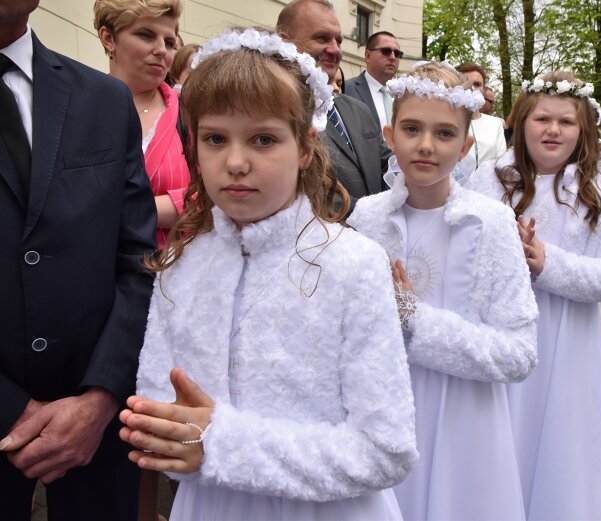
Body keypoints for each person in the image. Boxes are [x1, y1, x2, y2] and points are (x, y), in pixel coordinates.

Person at [118, 28, 418, 521]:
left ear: (304, 146)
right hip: (210, 505)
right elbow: (156, 409)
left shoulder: (353, 265)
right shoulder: (181, 264)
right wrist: (176, 441)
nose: (235, 162)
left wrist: (222, 444)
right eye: (215, 138)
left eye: (263, 139)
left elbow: (386, 450)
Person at [349, 62, 538, 521]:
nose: (426, 146)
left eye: (445, 134)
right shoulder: (365, 217)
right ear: (390, 136)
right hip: (381, 407)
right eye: (412, 129)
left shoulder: (490, 223)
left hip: (463, 417)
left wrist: (417, 318)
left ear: (466, 145)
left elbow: (519, 353)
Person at [0, 0, 157, 519]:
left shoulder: (104, 99)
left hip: (97, 435)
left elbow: (138, 259)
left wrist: (101, 399)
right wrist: (11, 411)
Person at [470, 72, 601, 521]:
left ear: (582, 130)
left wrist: (549, 264)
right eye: (542, 118)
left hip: (566, 337)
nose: (552, 129)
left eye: (565, 121)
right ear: (521, 122)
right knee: (503, 431)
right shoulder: (489, 180)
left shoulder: (593, 188)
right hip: (501, 331)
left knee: (559, 437)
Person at [277, 0, 391, 212]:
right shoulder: (273, 112)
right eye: (322, 38)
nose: (335, 50)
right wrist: (378, 214)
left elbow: (387, 166)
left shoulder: (358, 109)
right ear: (285, 42)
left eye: (338, 41)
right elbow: (304, 197)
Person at [94, 0, 189, 249]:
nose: (161, 50)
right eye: (146, 35)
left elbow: (214, 196)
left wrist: (125, 210)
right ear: (108, 38)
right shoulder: (77, 109)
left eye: (169, 42)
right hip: (99, 274)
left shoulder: (191, 112)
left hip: (174, 276)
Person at [343, 31, 402, 129]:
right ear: (368, 56)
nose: (392, 57)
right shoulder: (347, 89)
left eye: (397, 53)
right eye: (386, 51)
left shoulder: (401, 95)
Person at [457, 62, 507, 166]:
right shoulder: (447, 122)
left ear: (484, 90)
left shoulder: (495, 124)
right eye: (465, 82)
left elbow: (501, 161)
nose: (472, 88)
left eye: (477, 84)